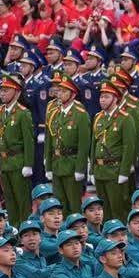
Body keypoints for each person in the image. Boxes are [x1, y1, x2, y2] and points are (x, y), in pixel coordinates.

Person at [92, 81, 137, 222]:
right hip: (100, 170)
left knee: (118, 209)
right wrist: (92, 170)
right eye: (101, 97)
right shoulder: (98, 117)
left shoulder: (125, 118)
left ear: (115, 98)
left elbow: (129, 147)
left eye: (106, 97)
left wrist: (124, 172)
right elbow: (94, 145)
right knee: (103, 210)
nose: (102, 100)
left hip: (115, 170)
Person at [45, 75, 90, 213]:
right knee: (60, 203)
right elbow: (50, 140)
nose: (60, 94)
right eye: (59, 91)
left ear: (73, 94)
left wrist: (80, 168)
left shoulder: (80, 114)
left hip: (72, 163)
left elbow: (84, 144)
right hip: (57, 163)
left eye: (64, 91)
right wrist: (48, 165)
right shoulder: (54, 113)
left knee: (74, 203)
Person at [0, 72, 36, 223]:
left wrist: (28, 164)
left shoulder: (23, 113)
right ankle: (13, 228)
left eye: (6, 90)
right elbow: (0, 139)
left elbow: (28, 141)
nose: (2, 93)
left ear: (17, 92)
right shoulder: (0, 112)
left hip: (18, 162)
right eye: (1, 90)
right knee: (10, 201)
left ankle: (25, 229)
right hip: (5, 162)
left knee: (22, 201)